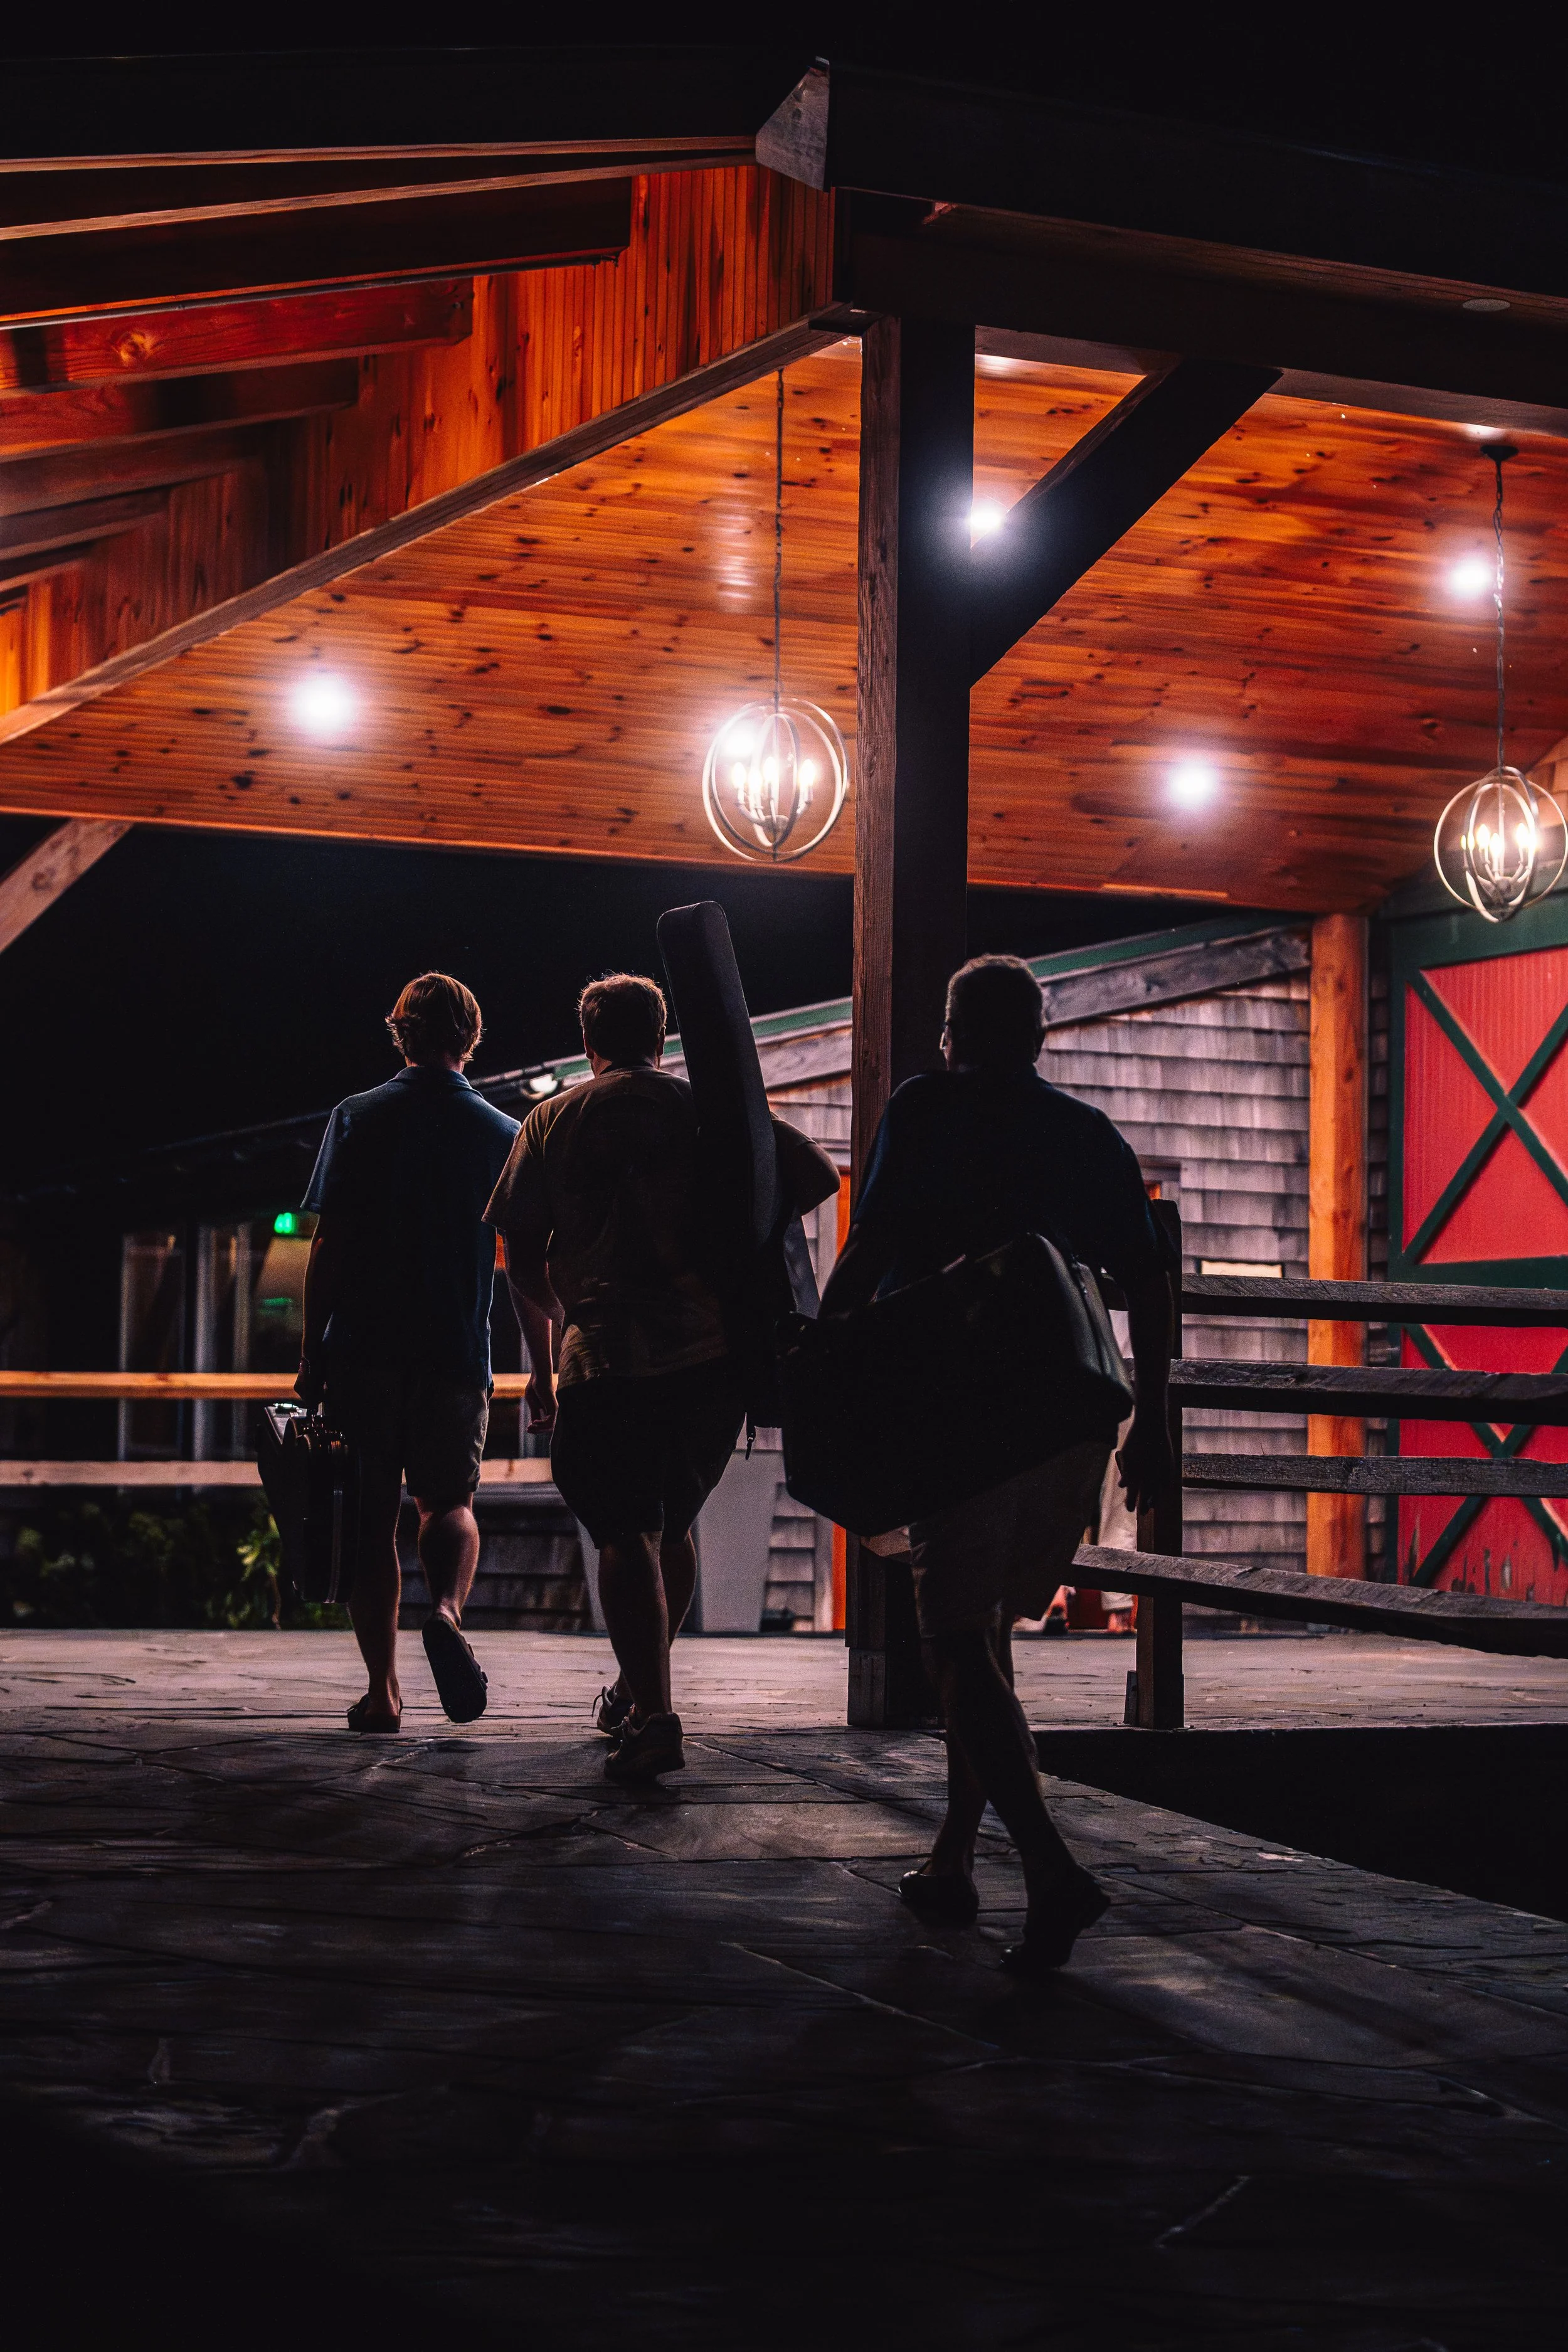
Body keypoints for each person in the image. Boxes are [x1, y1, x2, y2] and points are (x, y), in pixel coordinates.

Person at [820, 953, 1175, 1974]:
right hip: (1073, 1412)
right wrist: (1153, 1419)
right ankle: (953, 1856)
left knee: (952, 1640)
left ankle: (1052, 1870)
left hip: (962, 1406)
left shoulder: (925, 1108)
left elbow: (873, 1241)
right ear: (1040, 1037)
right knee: (981, 1636)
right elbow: (1149, 1279)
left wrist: (824, 1349)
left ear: (951, 1036)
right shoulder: (1088, 1134)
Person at [487, 971, 835, 1784]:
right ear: (660, 1035)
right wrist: (738, 1236)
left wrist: (563, 1325)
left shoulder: (553, 1119)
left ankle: (656, 1715)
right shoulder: (707, 1108)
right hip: (710, 1357)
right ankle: (639, 1694)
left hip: (604, 1356)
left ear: (588, 1041)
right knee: (669, 1529)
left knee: (623, 1532)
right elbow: (816, 1175)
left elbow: (519, 1254)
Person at [297, 973, 520, 1734]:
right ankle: (448, 1613)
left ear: (401, 1033)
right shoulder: (501, 1133)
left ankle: (382, 1693)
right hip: (455, 1348)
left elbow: (328, 1245)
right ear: (471, 1037)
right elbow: (525, 1254)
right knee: (448, 1504)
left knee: (370, 1521)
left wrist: (311, 1354)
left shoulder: (358, 1117)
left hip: (363, 1349)